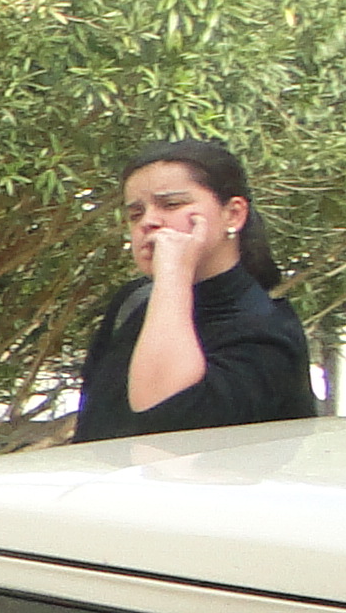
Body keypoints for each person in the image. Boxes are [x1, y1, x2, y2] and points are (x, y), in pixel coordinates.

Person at [72, 139, 314, 441]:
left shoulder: (266, 329)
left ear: (233, 214)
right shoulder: (133, 302)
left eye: (171, 204)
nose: (149, 222)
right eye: (136, 213)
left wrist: (174, 273)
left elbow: (164, 417)